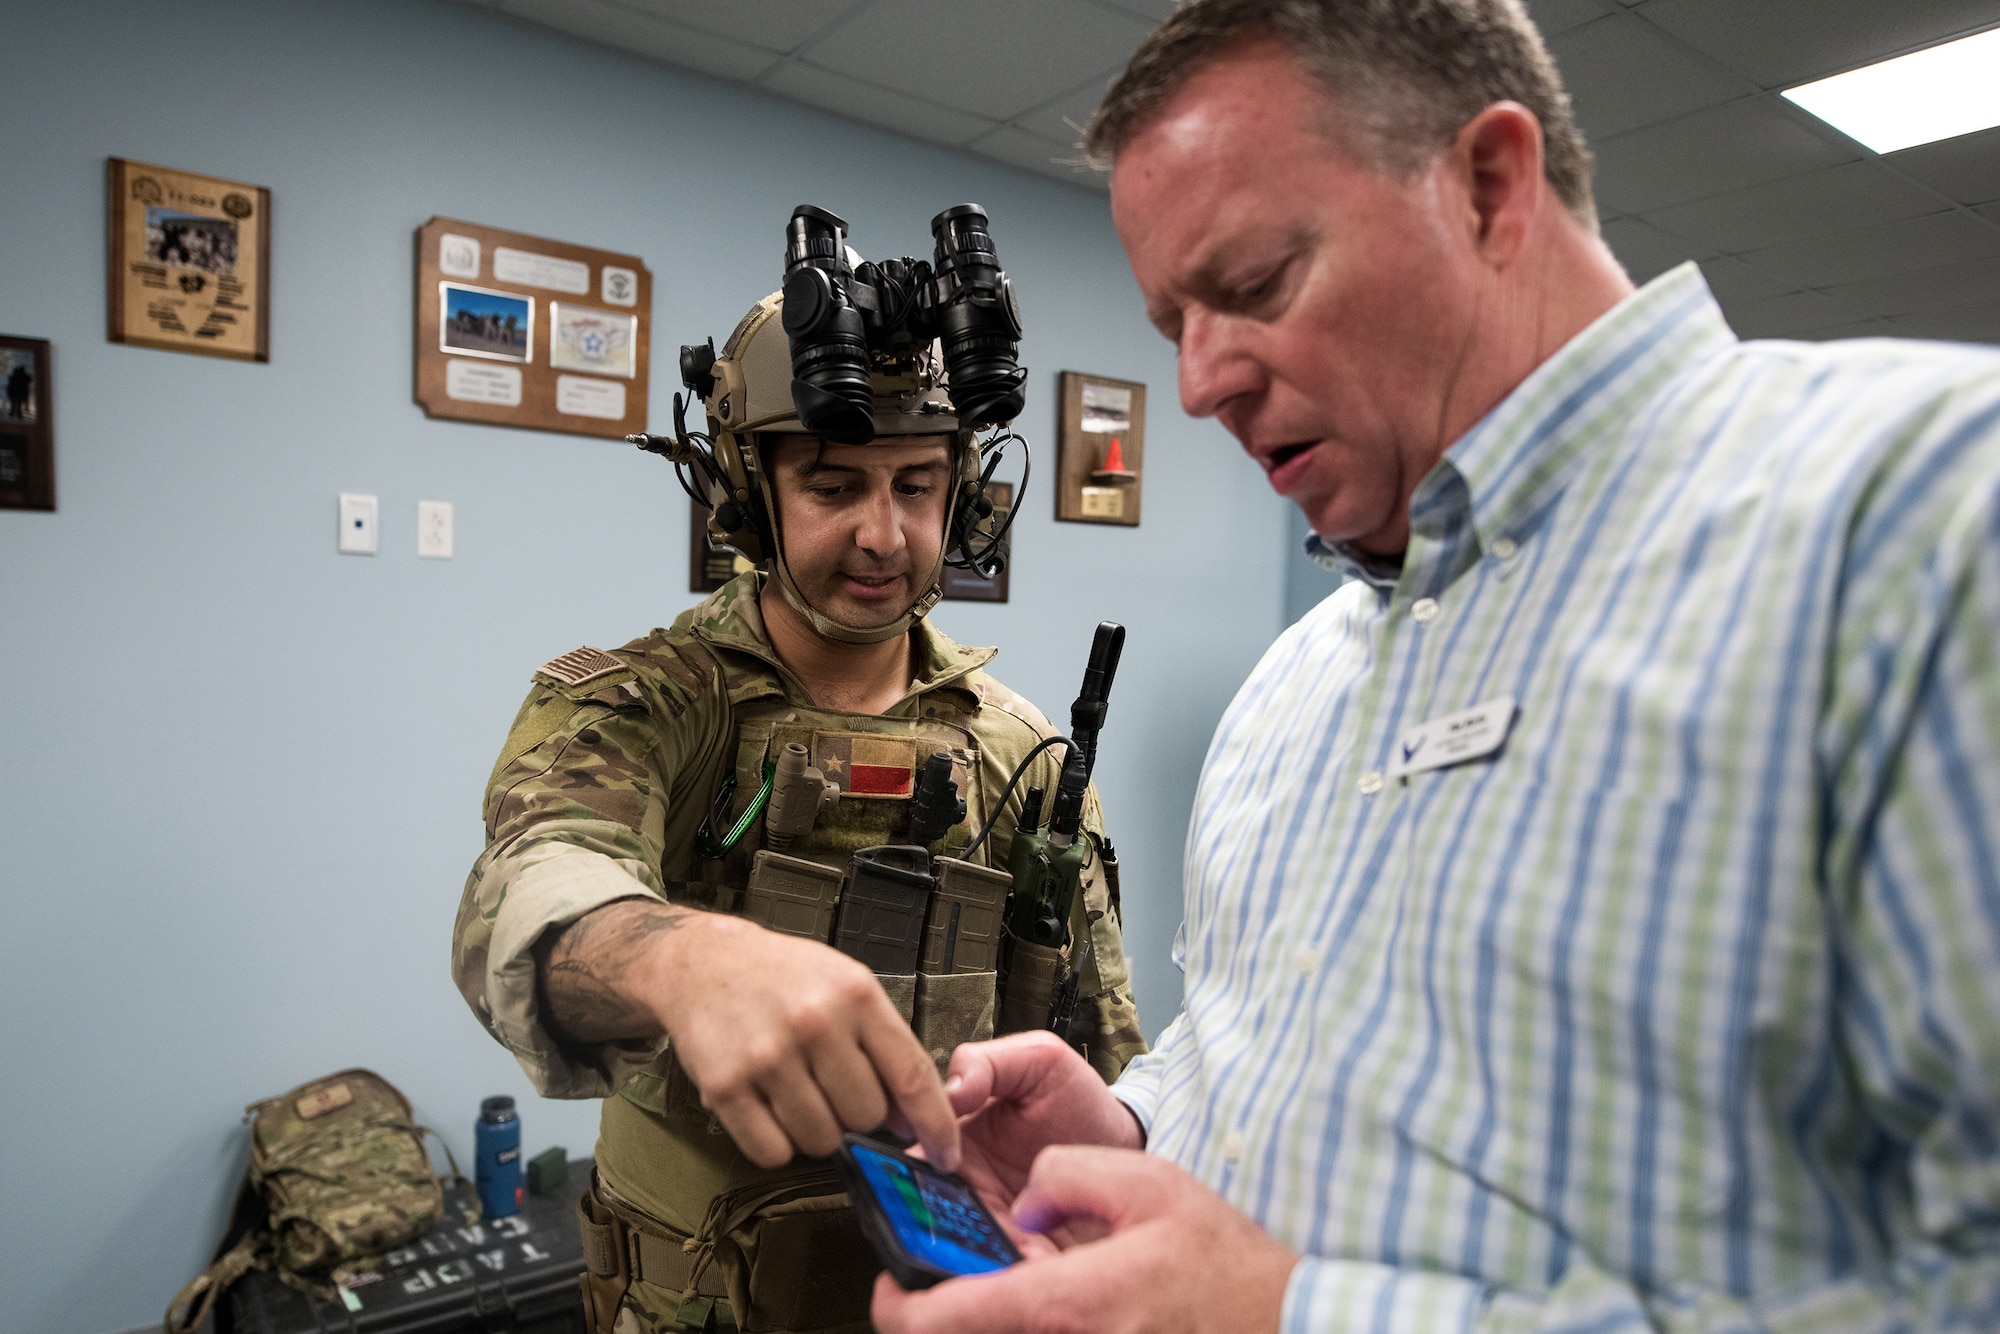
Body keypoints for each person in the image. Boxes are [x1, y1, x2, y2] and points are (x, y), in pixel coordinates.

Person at [872, 2, 2000, 1332]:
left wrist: (1291, 1314)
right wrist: (1135, 1123)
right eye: (1174, 317)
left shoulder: (1928, 523)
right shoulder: (1295, 686)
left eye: (1252, 285)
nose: (1196, 383)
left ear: (1489, 185)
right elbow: (1278, 1048)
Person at [452, 282, 1147, 1334]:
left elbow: (1099, 1047)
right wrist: (677, 959)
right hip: (691, 1298)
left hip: (949, 1292)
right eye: (833, 485)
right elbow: (536, 879)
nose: (883, 533)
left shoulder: (1019, 747)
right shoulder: (646, 703)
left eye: (917, 485)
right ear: (746, 487)